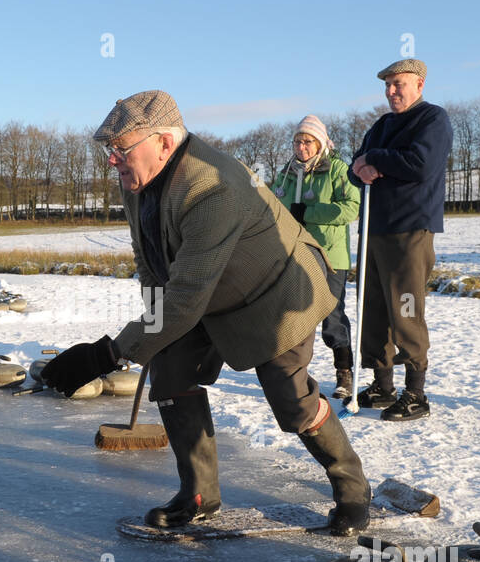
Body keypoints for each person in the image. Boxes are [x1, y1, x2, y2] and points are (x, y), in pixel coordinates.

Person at [41, 90, 372, 535]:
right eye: (109, 151)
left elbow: (185, 298)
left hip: (277, 289)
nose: (113, 161)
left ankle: (352, 487)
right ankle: (198, 494)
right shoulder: (138, 181)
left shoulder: (212, 186)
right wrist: (150, 336)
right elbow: (151, 262)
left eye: (121, 149)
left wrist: (106, 354)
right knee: (170, 369)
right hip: (210, 292)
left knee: (290, 400)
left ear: (162, 142)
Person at [347, 59, 451, 422]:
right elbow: (354, 167)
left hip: (410, 231)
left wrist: (374, 160)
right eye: (388, 84)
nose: (392, 91)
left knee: (405, 308)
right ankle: (382, 383)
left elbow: (419, 164)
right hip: (374, 229)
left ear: (419, 85)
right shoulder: (381, 125)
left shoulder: (432, 120)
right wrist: (363, 166)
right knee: (373, 309)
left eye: (399, 84)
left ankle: (416, 392)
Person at [270, 116, 360, 399]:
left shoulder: (337, 170)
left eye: (307, 141)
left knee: (332, 318)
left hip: (331, 256)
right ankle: (295, 375)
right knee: (296, 317)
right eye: (297, 141)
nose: (301, 147)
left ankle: (344, 373)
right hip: (296, 255)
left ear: (320, 142)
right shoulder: (286, 174)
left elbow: (350, 209)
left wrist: (308, 213)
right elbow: (272, 207)